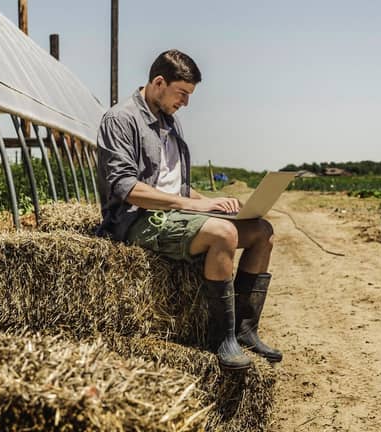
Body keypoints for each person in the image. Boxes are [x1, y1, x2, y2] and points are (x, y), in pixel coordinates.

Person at [96, 49, 281, 370]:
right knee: (222, 233)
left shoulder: (171, 122)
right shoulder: (121, 120)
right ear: (158, 82)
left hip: (175, 212)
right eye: (182, 93)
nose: (186, 102)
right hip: (138, 220)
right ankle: (222, 338)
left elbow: (175, 185)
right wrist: (194, 205)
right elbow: (125, 188)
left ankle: (246, 329)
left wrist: (213, 201)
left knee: (261, 231)